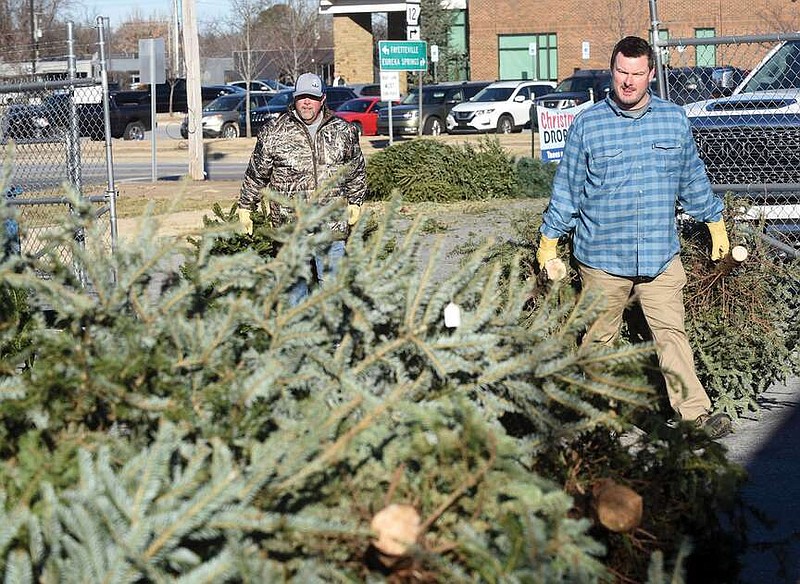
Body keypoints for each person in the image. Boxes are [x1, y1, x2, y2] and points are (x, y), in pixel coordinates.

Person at [536, 36, 733, 439]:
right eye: (621, 72)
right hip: (602, 260)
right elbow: (568, 189)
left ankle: (694, 416)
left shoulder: (673, 119)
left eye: (636, 74)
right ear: (612, 72)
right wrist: (549, 240)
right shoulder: (587, 124)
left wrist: (714, 222)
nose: (628, 82)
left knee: (672, 337)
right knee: (598, 342)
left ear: (651, 74)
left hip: (660, 257)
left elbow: (691, 178)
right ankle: (596, 422)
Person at [238, 72, 366, 305]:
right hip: (290, 229)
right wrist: (246, 206)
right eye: (302, 97)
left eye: (312, 97)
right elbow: (256, 173)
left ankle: (334, 341)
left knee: (332, 290)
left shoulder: (343, 131)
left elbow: (356, 170)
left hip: (331, 226)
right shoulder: (274, 132)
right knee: (295, 293)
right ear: (294, 98)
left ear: (323, 99)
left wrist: (356, 201)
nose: (307, 102)